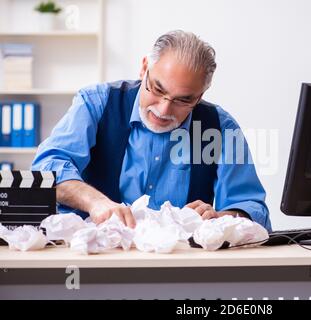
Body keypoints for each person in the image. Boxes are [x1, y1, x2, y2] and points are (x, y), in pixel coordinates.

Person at [32, 30, 271, 231]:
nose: (163, 109)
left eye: (182, 100)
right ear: (144, 67)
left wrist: (223, 219)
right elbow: (47, 167)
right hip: (96, 257)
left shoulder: (220, 128)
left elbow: (252, 208)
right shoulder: (96, 103)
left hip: (180, 265)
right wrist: (96, 202)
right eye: (157, 89)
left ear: (200, 96)